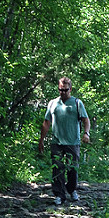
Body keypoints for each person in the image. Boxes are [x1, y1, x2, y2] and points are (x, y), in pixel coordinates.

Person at [38, 77, 90, 205]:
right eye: (60, 90)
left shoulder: (77, 103)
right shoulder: (53, 103)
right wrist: (41, 140)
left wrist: (86, 133)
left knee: (73, 169)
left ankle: (71, 189)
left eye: (65, 90)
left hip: (73, 142)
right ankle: (59, 195)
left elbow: (85, 120)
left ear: (70, 89)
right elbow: (46, 122)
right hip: (57, 142)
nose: (63, 92)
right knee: (57, 169)